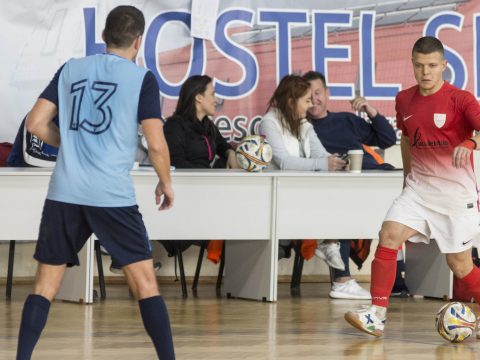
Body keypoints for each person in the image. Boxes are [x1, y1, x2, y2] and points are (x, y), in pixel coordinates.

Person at [16, 6, 175, 360]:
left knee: (45, 285)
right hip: (111, 196)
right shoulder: (142, 79)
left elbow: (36, 123)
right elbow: (157, 144)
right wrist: (165, 182)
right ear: (139, 40)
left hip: (65, 192)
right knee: (145, 284)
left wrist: (67, 143)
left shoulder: (71, 69)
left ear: (104, 36)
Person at [345, 36, 480, 337]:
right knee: (388, 234)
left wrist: (471, 142)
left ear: (444, 65)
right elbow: (407, 139)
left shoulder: (461, 99)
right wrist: (407, 179)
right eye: (419, 66)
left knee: (460, 266)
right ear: (412, 65)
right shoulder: (404, 99)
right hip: (418, 191)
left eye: (432, 66)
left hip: (456, 196)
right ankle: (376, 315)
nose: (426, 72)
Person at [302, 70, 401, 300]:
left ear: (326, 93)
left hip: (372, 177)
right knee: (342, 203)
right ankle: (342, 280)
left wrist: (370, 110)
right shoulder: (303, 128)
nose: (314, 99)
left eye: (318, 92)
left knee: (400, 209)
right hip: (337, 187)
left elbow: (386, 139)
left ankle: (398, 279)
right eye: (308, 95)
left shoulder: (346, 120)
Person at [259, 74, 346, 269]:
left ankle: (330, 244)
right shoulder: (269, 123)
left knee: (342, 197)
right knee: (331, 200)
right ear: (291, 102)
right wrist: (323, 164)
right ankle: (329, 245)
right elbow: (282, 161)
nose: (310, 105)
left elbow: (320, 154)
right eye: (306, 100)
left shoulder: (304, 124)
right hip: (278, 196)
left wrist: (338, 162)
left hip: (302, 191)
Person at [163, 74, 239, 264]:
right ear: (198, 97)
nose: (216, 100)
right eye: (212, 94)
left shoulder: (209, 126)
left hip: (207, 192)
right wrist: (209, 177)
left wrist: (230, 152)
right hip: (186, 194)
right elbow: (177, 164)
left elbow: (223, 145)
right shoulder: (174, 126)